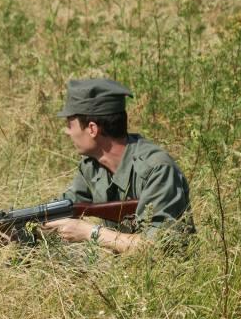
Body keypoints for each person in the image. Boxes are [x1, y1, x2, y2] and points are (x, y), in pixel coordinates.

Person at [42, 79, 195, 254]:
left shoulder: (157, 169)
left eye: (70, 124)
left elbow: (158, 247)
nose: (67, 131)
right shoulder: (92, 166)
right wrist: (28, 228)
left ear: (92, 129)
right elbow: (64, 209)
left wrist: (89, 232)